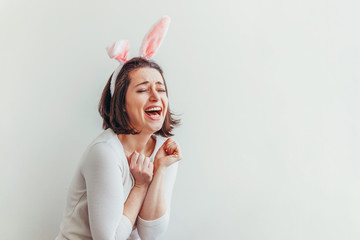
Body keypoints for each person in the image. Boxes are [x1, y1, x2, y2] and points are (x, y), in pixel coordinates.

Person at [55, 16, 182, 240]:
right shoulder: (104, 152)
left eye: (161, 89)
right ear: (121, 104)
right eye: (143, 90)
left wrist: (160, 170)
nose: (156, 97)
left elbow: (150, 235)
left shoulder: (164, 151)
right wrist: (141, 186)